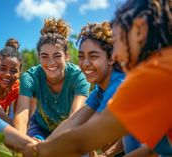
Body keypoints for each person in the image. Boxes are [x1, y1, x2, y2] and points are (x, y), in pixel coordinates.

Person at [23, 0, 172, 156]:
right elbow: (151, 150)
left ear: (139, 31)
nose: (115, 55)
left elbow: (81, 141)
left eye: (117, 39)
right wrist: (46, 145)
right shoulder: (161, 67)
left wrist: (37, 151)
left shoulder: (154, 73)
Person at [46, 21, 125, 156]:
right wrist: (45, 144)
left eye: (93, 56)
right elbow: (74, 120)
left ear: (111, 58)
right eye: (81, 56)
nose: (85, 63)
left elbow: (86, 136)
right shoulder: (101, 89)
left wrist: (39, 151)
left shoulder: (119, 85)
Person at [13, 18, 90, 140]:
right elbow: (22, 112)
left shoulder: (79, 76)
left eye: (57, 56)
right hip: (40, 129)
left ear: (67, 56)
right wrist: (22, 142)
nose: (51, 62)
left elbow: (75, 118)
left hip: (71, 129)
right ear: (39, 57)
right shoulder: (30, 77)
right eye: (44, 56)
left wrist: (51, 145)